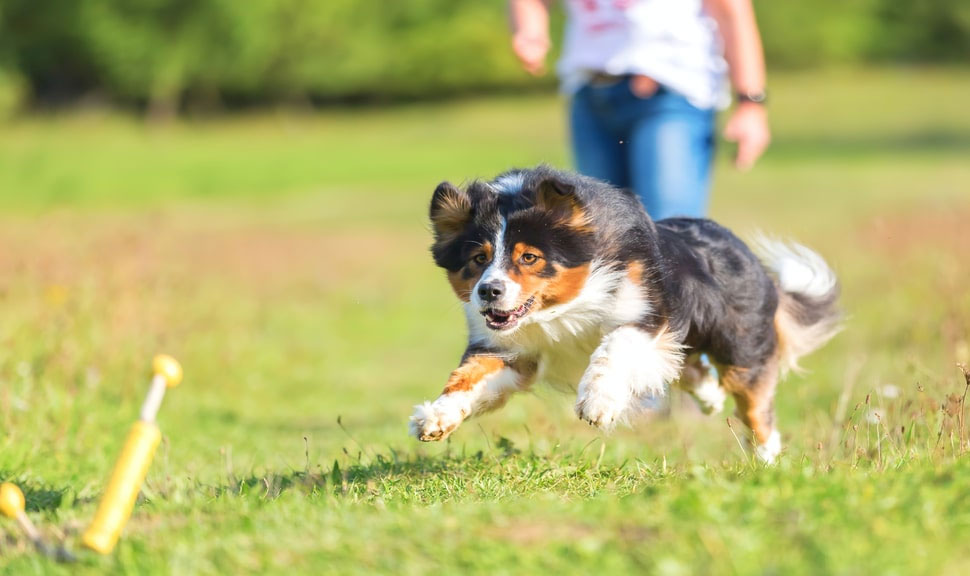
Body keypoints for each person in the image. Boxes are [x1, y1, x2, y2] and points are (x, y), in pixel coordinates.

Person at [509, 0, 771, 220]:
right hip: (591, 92)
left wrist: (751, 103)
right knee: (599, 232)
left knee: (668, 229)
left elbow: (731, 11)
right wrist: (530, 29)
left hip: (671, 91)